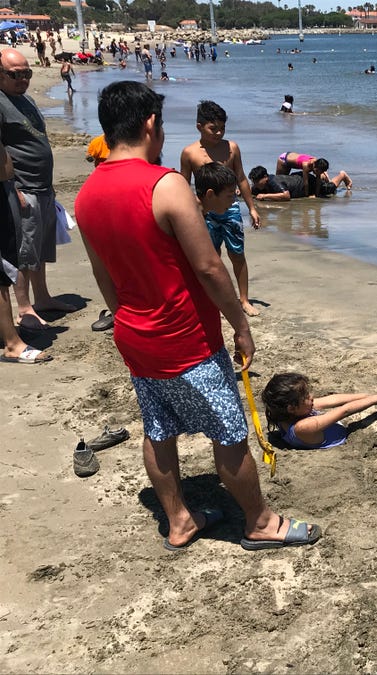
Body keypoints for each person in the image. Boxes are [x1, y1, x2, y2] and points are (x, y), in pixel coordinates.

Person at [74, 81, 319, 551]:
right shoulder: (163, 184)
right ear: (150, 124)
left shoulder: (87, 194)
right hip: (185, 337)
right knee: (228, 430)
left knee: (159, 428)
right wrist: (241, 324)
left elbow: (102, 275)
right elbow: (209, 266)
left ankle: (180, 520)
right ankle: (260, 522)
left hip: (134, 333)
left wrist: (125, 321)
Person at [1, 48, 74, 332]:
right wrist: (12, 188)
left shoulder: (26, 99)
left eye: (26, 73)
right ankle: (24, 308)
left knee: (41, 249)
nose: (23, 79)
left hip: (42, 185)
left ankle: (42, 298)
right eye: (15, 74)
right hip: (21, 187)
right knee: (23, 252)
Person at [180, 100, 261, 317]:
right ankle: (212, 297)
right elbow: (183, 185)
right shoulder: (189, 153)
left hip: (231, 209)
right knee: (210, 257)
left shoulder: (231, 148)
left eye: (222, 128)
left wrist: (251, 208)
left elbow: (242, 178)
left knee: (237, 254)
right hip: (204, 213)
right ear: (199, 126)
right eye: (213, 128)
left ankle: (243, 299)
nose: (218, 133)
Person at [1, 141, 51, 363]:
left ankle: (5, 331)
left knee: (8, 261)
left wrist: (12, 186)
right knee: (2, 272)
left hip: (5, 185)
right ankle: (12, 344)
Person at [261, 372, 377, 450]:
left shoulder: (282, 414)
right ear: (291, 408)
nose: (312, 397)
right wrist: (376, 399)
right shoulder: (302, 428)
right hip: (341, 439)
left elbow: (333, 400)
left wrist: (366, 396)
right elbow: (344, 411)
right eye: (306, 397)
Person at [275, 153, 352, 191]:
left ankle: (339, 176)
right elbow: (306, 183)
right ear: (314, 167)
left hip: (292, 158)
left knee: (322, 183)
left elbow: (318, 180)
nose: (317, 173)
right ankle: (329, 178)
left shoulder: (317, 163)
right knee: (279, 181)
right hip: (284, 160)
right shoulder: (306, 165)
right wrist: (306, 195)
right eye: (317, 171)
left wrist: (317, 194)